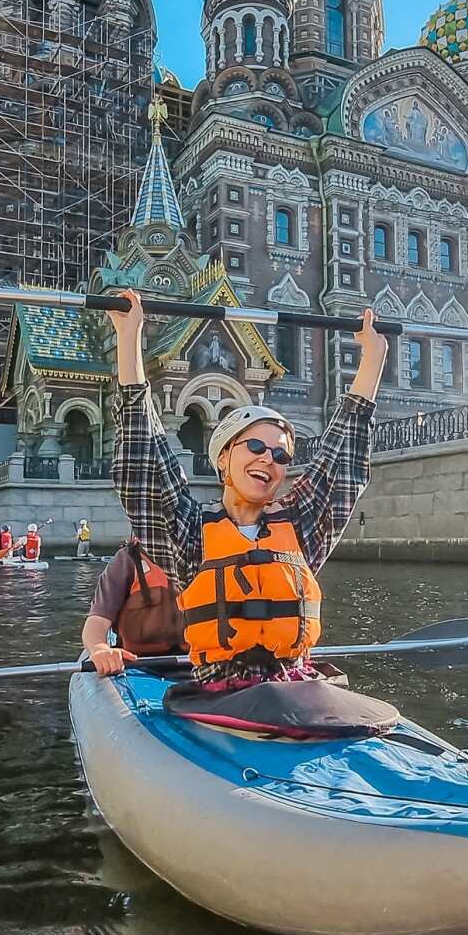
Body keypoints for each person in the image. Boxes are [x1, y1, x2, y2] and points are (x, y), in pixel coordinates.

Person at [109, 289, 387, 687]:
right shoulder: (190, 533)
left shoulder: (302, 527)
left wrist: (373, 358)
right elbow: (145, 456)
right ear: (223, 457)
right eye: (255, 446)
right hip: (221, 694)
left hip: (295, 688)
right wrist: (130, 336)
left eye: (281, 456)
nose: (268, 460)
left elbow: (341, 461)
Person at [81, 537, 184, 674]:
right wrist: (100, 648)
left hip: (197, 660)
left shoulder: (205, 557)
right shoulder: (126, 561)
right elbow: (97, 621)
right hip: (137, 665)